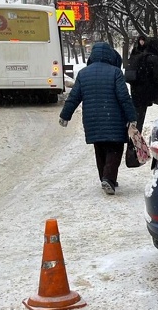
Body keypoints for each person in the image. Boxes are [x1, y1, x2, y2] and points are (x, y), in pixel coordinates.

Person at [58, 42, 138, 196]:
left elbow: (74, 97)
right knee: (114, 148)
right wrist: (132, 117)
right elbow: (124, 98)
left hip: (92, 119)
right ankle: (108, 178)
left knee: (100, 147)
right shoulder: (115, 72)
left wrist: (65, 115)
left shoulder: (83, 73)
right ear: (110, 55)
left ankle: (105, 177)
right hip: (113, 118)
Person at [127, 36, 158, 131]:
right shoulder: (155, 59)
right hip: (151, 90)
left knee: (139, 119)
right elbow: (157, 78)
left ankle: (133, 143)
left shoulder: (138, 56)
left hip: (137, 91)